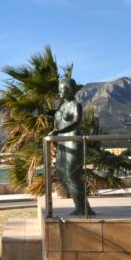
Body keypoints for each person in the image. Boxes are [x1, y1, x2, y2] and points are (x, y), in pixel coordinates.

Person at [52, 77, 94, 216]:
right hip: (62, 142)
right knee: (61, 174)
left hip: (73, 141)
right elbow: (58, 125)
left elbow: (76, 122)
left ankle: (83, 208)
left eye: (64, 89)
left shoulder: (76, 105)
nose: (61, 91)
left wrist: (59, 131)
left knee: (72, 174)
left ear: (71, 90)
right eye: (60, 89)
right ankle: (81, 206)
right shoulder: (62, 107)